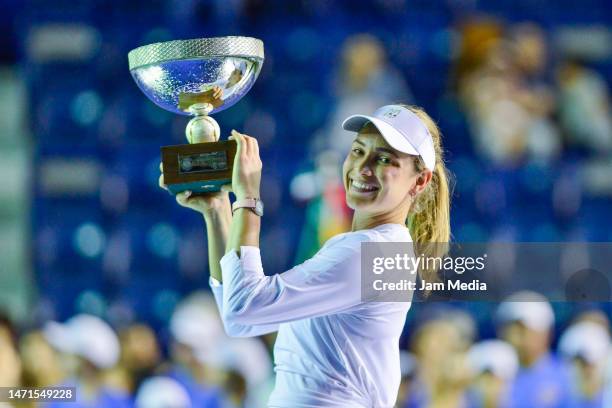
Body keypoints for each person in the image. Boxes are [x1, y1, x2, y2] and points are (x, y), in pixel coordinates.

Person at [159, 104, 451, 407]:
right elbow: (243, 319)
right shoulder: (377, 248)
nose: (362, 167)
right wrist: (218, 210)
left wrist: (248, 198)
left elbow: (243, 309)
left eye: (384, 159)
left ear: (420, 181)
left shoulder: (369, 253)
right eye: (358, 151)